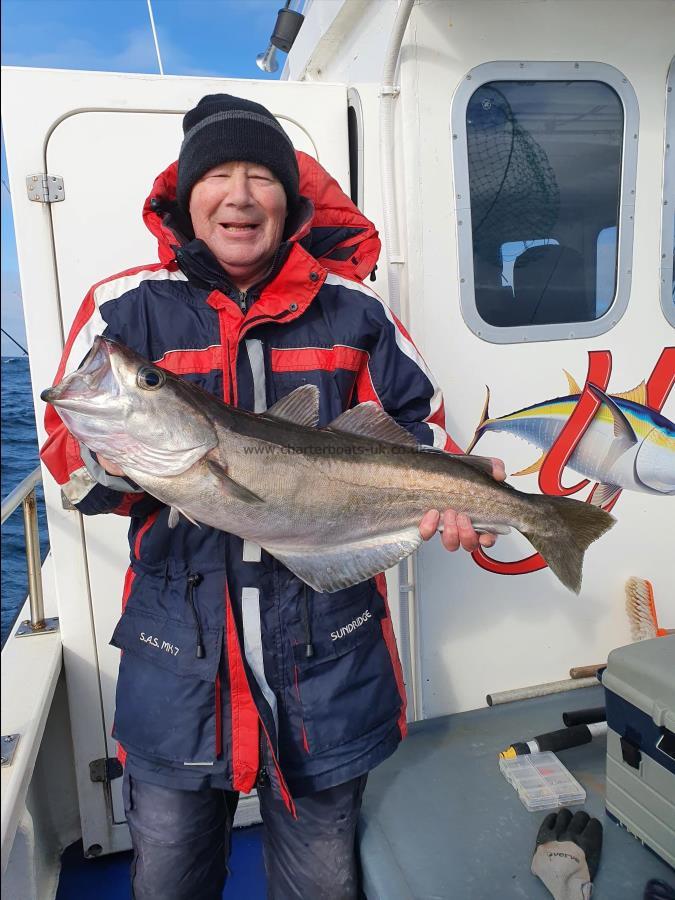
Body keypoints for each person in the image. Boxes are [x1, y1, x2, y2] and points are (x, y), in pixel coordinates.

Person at [41, 94, 505, 900]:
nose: (240, 195)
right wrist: (122, 459)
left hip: (329, 660)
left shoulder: (355, 308)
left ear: (290, 199)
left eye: (261, 175)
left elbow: (417, 428)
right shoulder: (125, 309)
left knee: (323, 885)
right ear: (186, 196)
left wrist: (457, 492)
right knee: (168, 884)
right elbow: (65, 460)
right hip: (178, 665)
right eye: (217, 174)